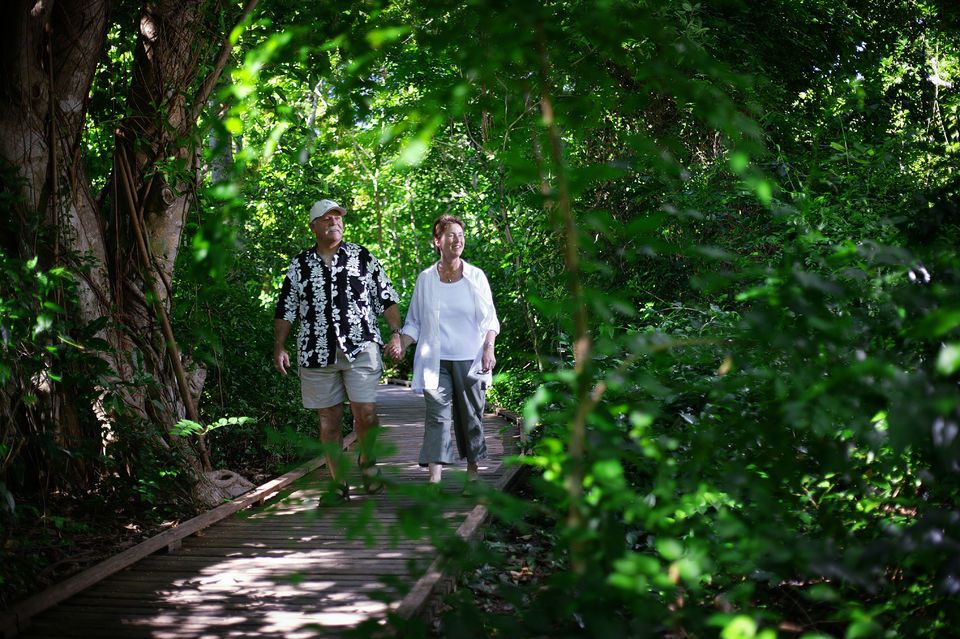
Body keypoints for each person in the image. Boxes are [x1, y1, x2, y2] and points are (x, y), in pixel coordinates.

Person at [274, 198, 404, 505]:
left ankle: (368, 462)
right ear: (314, 226)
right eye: (327, 218)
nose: (335, 222)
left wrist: (396, 334)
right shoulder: (300, 265)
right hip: (316, 351)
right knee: (328, 421)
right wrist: (279, 345)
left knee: (366, 413)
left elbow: (386, 297)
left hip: (361, 346)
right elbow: (286, 308)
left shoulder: (362, 257)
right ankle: (339, 484)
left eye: (338, 218)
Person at [385, 214, 500, 486]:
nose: (457, 240)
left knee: (470, 417)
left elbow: (490, 320)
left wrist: (489, 348)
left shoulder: (476, 277)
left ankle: (472, 474)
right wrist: (400, 343)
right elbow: (414, 322)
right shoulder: (426, 279)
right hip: (434, 361)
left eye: (461, 235)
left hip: (470, 360)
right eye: (451, 235)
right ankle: (434, 481)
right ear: (438, 241)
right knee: (437, 417)